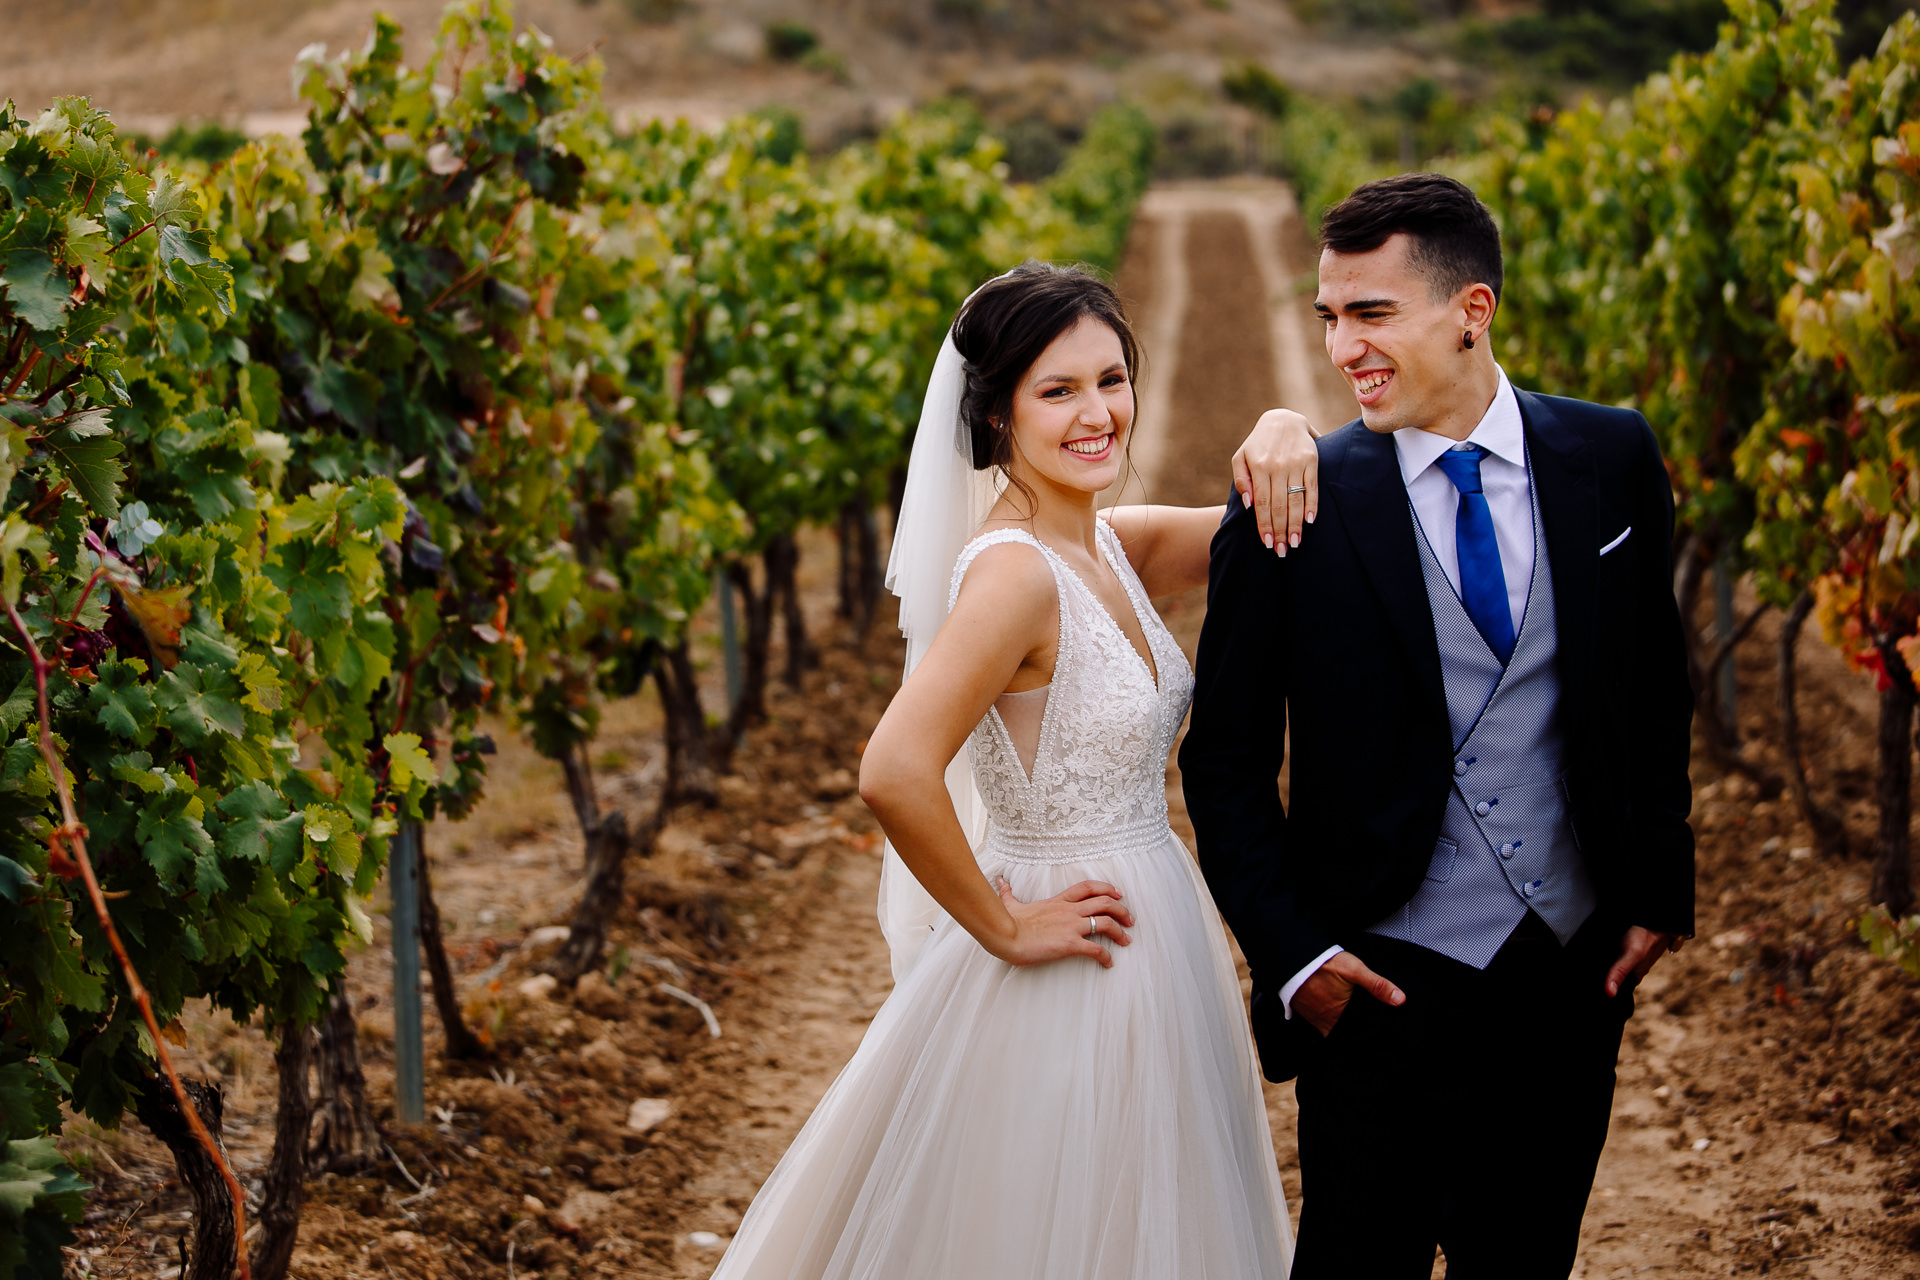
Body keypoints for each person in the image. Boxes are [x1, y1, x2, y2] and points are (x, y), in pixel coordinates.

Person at [706, 261, 1318, 1280]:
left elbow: (1253, 523)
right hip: (1074, 932)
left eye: (1111, 379)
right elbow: (894, 766)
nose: (1098, 414)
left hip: (1152, 921)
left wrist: (1287, 421)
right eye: (1058, 389)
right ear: (996, 416)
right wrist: (1003, 923)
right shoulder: (1014, 575)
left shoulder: (1105, 543)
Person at [1181, 171, 1697, 1278]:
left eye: (1371, 313)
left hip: (1567, 975)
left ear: (1473, 311)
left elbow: (1655, 683)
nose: (1340, 349)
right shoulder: (1293, 499)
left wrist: (1658, 887)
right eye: (1328, 316)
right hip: (1377, 982)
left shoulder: (1609, 460)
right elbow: (1222, 763)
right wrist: (1296, 954)